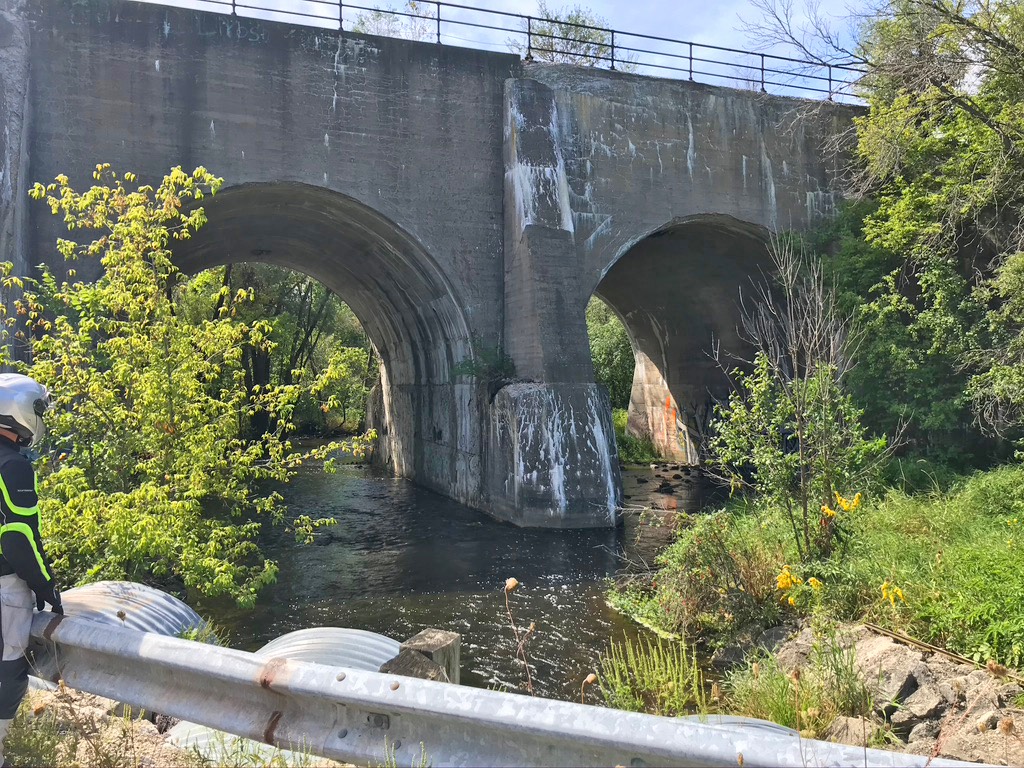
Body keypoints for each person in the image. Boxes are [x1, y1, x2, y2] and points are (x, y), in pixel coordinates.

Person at [0, 374, 61, 765]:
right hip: (6, 588)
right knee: (8, 674)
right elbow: (20, 539)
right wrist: (47, 588)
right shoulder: (14, 467)